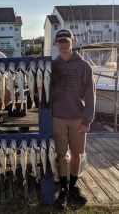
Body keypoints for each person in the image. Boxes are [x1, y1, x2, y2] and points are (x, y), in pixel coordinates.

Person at [52, 29, 95, 209]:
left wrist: (87, 121)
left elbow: (91, 95)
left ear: (73, 41)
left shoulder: (84, 66)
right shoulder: (52, 65)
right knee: (61, 154)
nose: (63, 44)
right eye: (60, 41)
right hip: (57, 117)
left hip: (77, 117)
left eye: (66, 40)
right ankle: (63, 189)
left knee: (77, 153)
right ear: (56, 43)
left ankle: (73, 186)